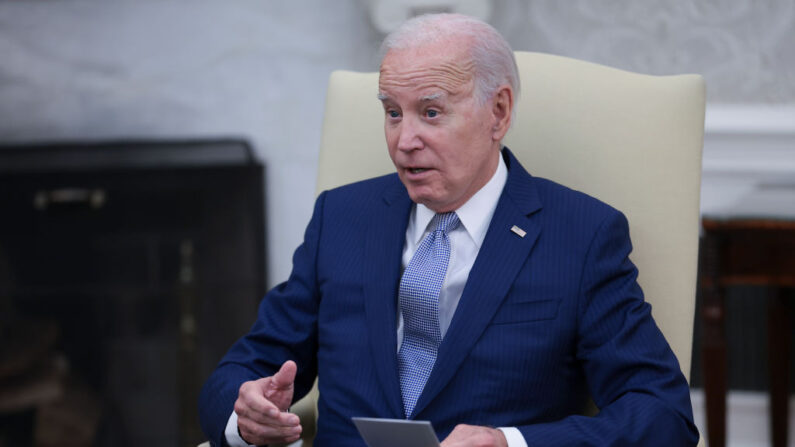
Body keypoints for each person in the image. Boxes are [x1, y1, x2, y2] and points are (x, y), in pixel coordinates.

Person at [199, 13, 699, 447]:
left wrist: (510, 443)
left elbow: (661, 416)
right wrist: (245, 416)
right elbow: (244, 370)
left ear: (497, 112)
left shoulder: (581, 235)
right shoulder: (342, 218)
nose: (404, 141)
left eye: (431, 112)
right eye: (392, 113)